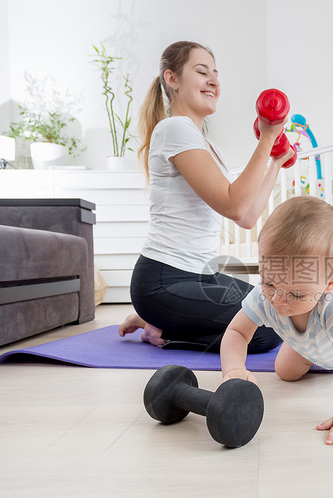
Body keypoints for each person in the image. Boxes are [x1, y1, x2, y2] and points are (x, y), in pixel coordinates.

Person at [118, 41, 291, 353]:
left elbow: (248, 216)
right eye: (202, 72)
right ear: (172, 79)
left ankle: (159, 320)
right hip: (162, 282)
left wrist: (276, 161)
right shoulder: (174, 129)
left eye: (216, 74)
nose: (213, 81)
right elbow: (235, 205)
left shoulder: (209, 147)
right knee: (264, 331)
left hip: (204, 276)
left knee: (274, 313)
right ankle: (161, 326)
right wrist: (267, 138)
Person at [220, 196, 333, 450]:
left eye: (296, 294)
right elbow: (238, 332)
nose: (278, 300)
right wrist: (233, 368)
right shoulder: (265, 297)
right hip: (308, 344)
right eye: (269, 282)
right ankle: (305, 348)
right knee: (284, 373)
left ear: (330, 284)